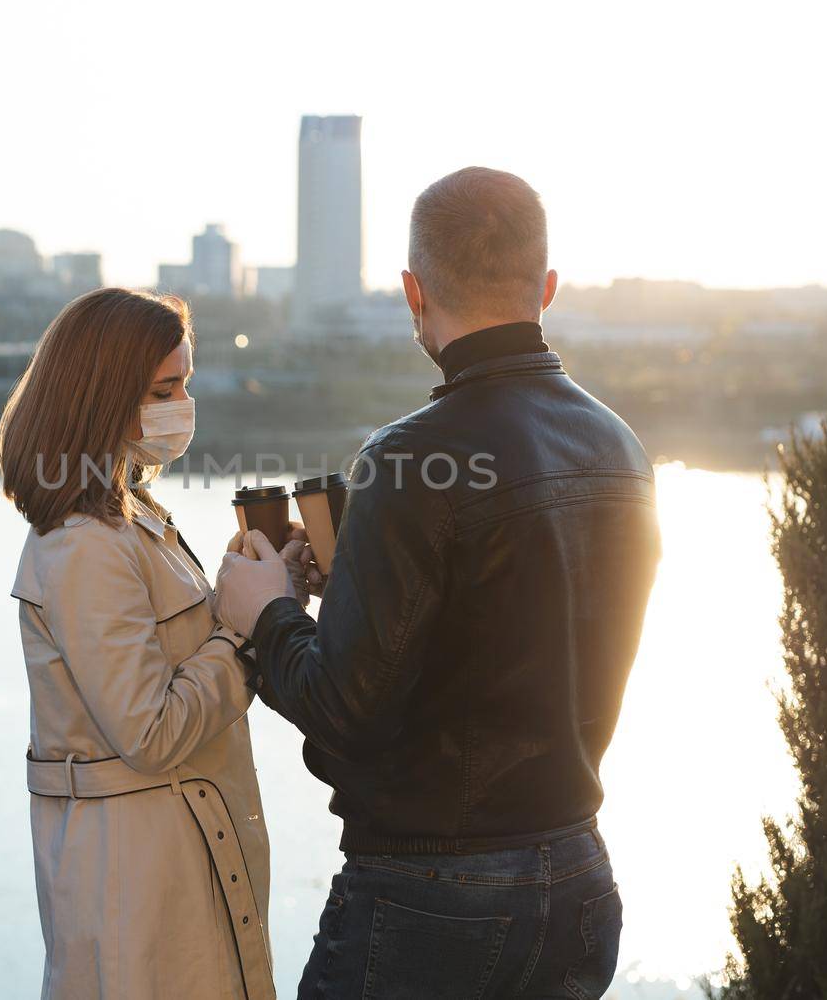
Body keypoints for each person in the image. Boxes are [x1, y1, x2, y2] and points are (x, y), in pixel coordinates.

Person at [214, 167, 662, 999]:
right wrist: (357, 586)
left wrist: (266, 613)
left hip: (433, 898)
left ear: (413, 292)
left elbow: (345, 712)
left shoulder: (409, 457)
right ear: (548, 288)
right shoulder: (622, 449)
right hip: (579, 878)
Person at [0, 287, 275, 999]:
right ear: (104, 394)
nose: (183, 402)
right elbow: (148, 730)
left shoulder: (132, 515)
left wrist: (265, 591)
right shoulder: (85, 544)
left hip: (174, 857)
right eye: (164, 387)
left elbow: (178, 658)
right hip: (139, 883)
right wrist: (242, 630)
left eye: (185, 381)